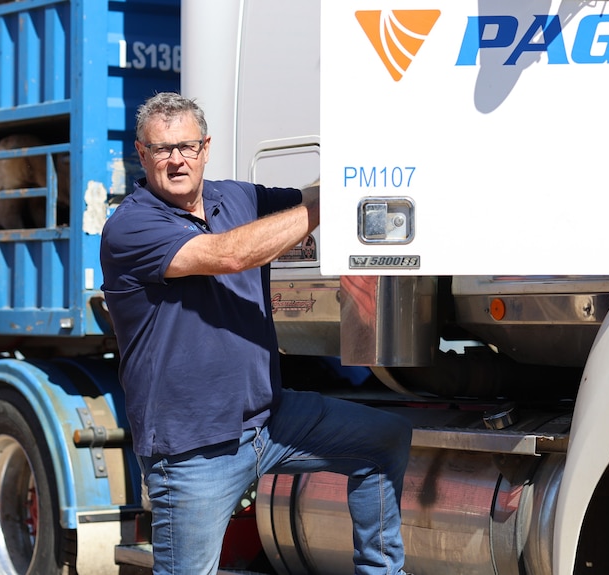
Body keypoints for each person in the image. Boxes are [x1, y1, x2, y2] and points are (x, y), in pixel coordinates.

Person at [100, 92, 412, 575]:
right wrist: (332, 199)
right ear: (142, 155)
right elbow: (229, 255)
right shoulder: (131, 226)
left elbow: (306, 200)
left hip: (271, 421)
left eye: (186, 146)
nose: (176, 159)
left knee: (384, 440)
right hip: (193, 450)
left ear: (206, 146)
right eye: (162, 149)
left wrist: (362, 166)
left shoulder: (237, 197)